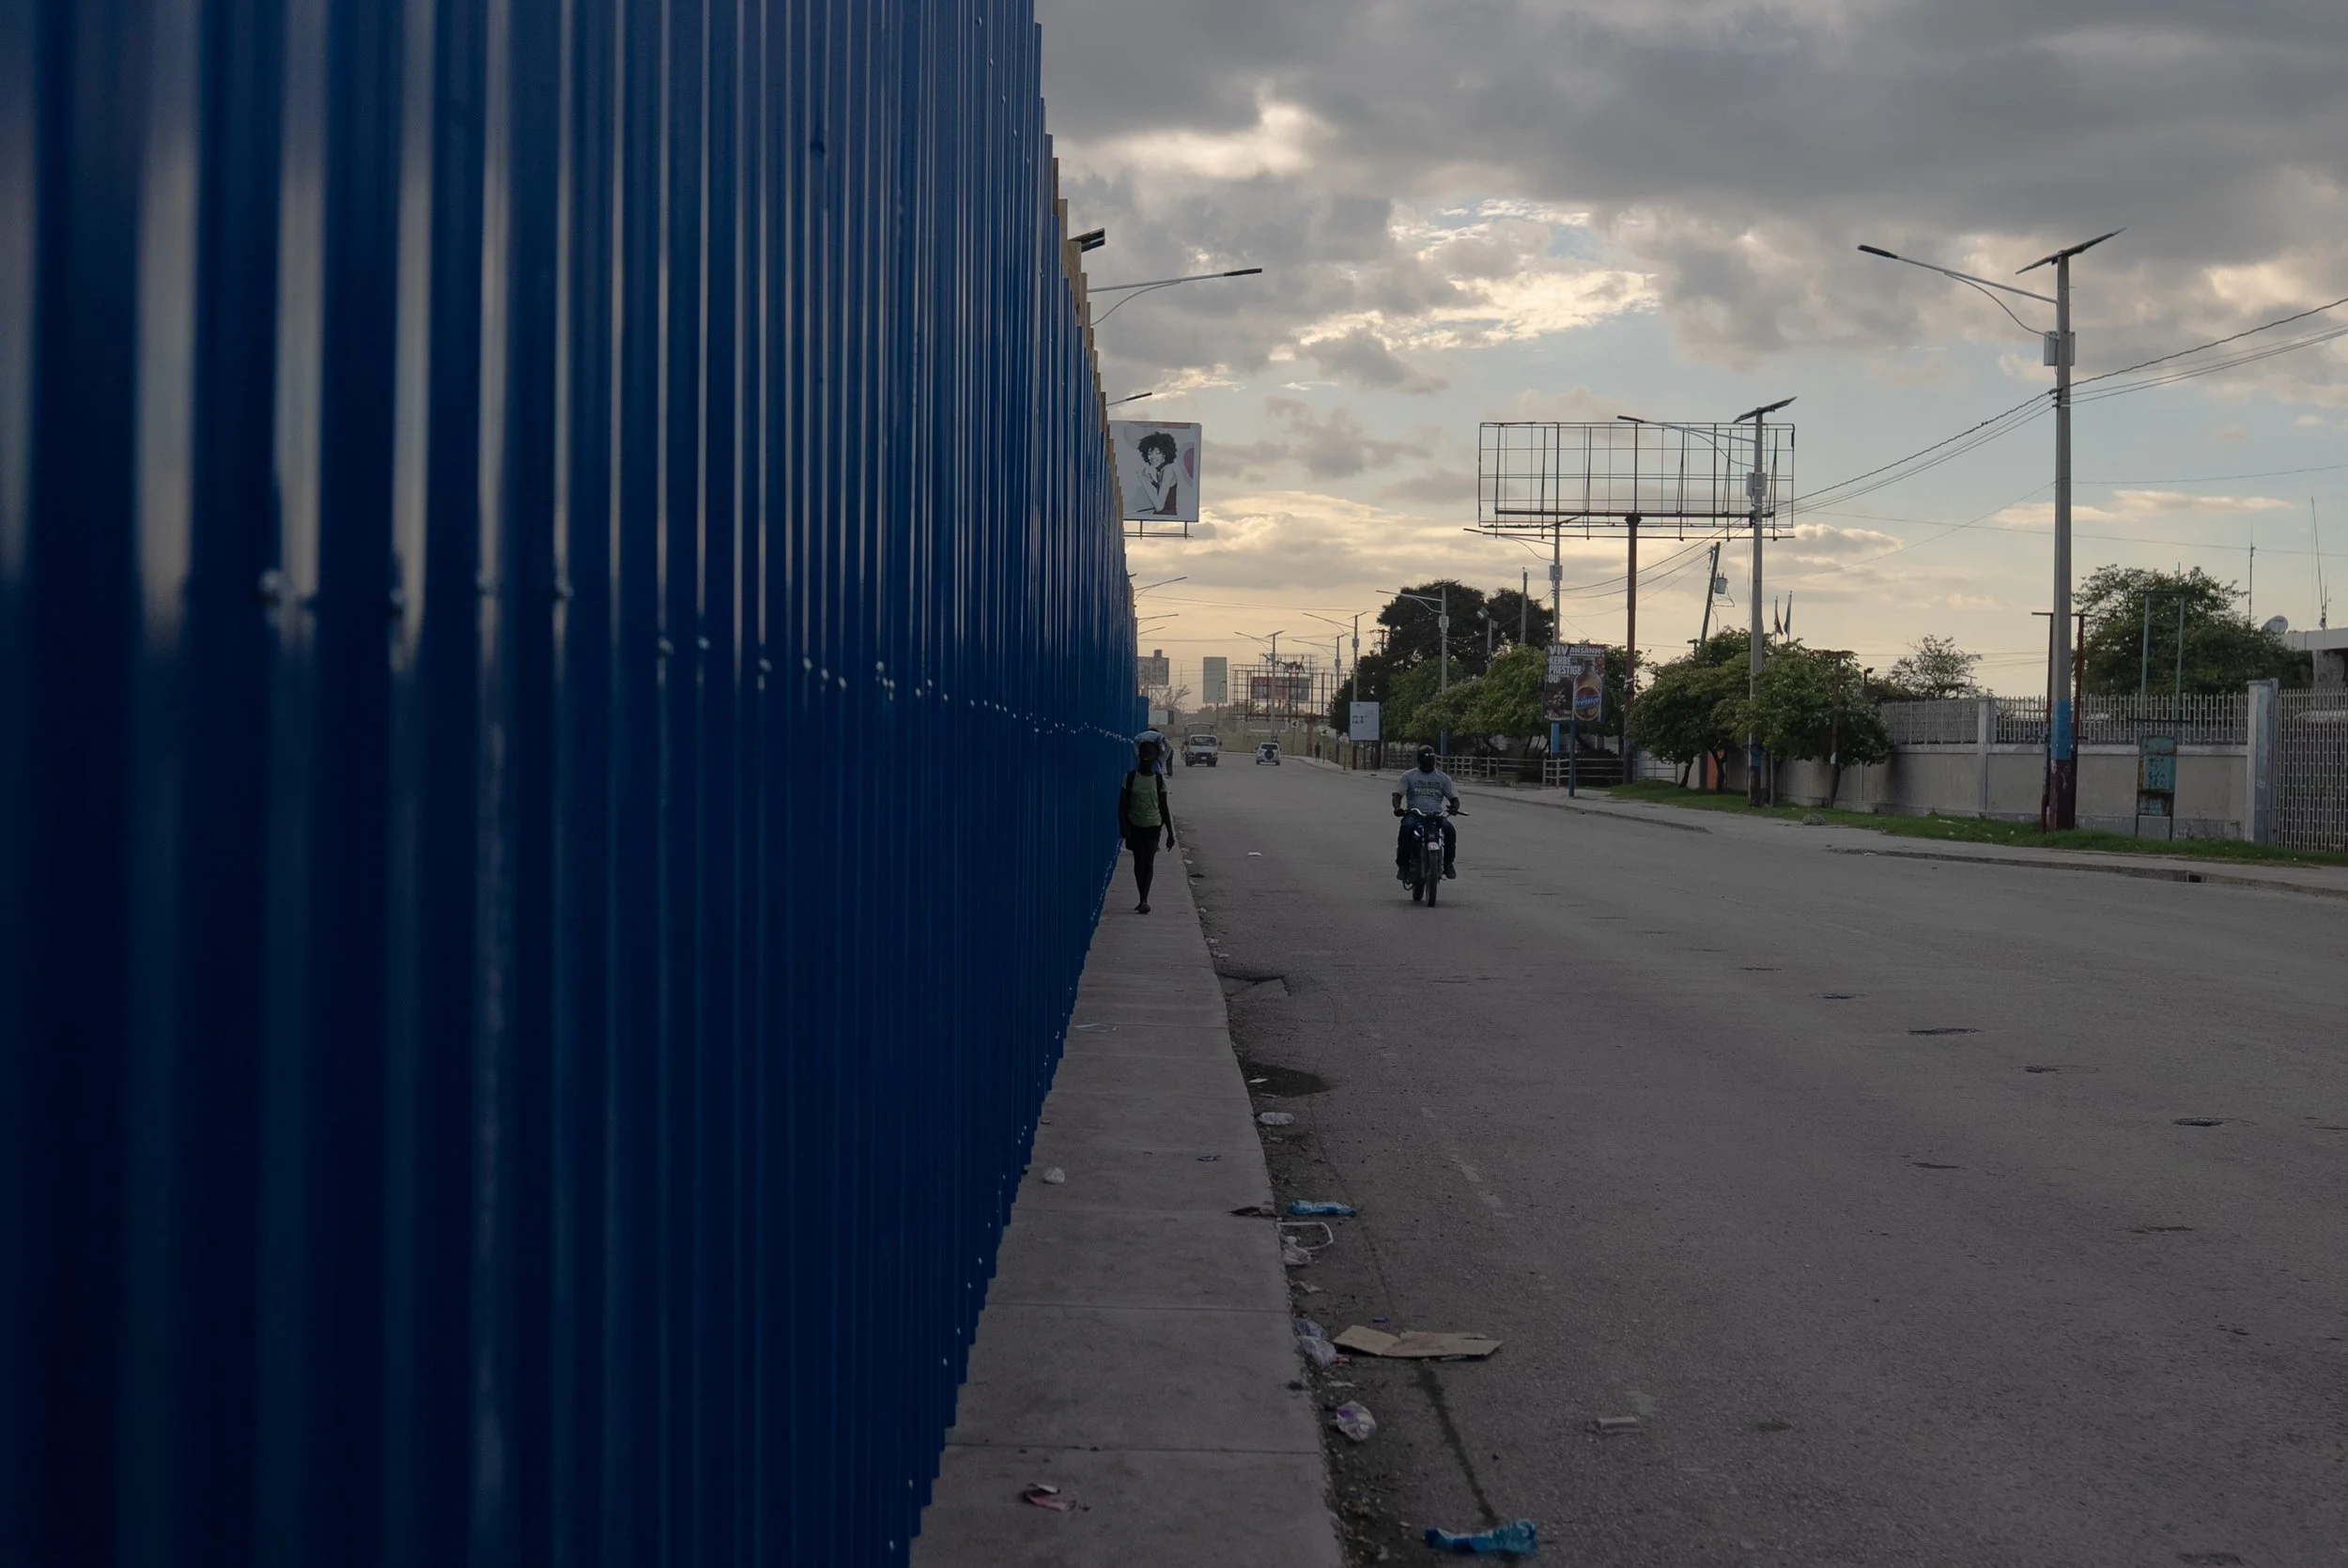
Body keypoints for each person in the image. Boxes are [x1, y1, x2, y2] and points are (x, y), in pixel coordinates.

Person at [1119, 735, 1178, 913]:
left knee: (1149, 862)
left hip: (1153, 825)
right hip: (1135, 825)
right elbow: (1122, 805)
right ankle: (1141, 895)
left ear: (1155, 756)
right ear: (1139, 754)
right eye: (1143, 752)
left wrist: (1170, 833)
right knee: (1138, 862)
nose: (1145, 755)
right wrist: (1123, 825)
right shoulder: (1129, 778)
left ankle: (1144, 899)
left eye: (1150, 752)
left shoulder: (1159, 780)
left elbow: (1164, 808)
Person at [1392, 745, 1459, 880]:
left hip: (1436, 816)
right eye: (1425, 758)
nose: (1429, 761)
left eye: (1431, 758)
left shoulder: (1442, 778)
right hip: (1415, 815)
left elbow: (1454, 798)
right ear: (1419, 759)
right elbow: (1397, 795)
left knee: (1450, 831)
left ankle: (1448, 864)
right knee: (1406, 828)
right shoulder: (1408, 776)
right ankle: (1403, 866)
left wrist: (1454, 807)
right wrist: (1397, 808)